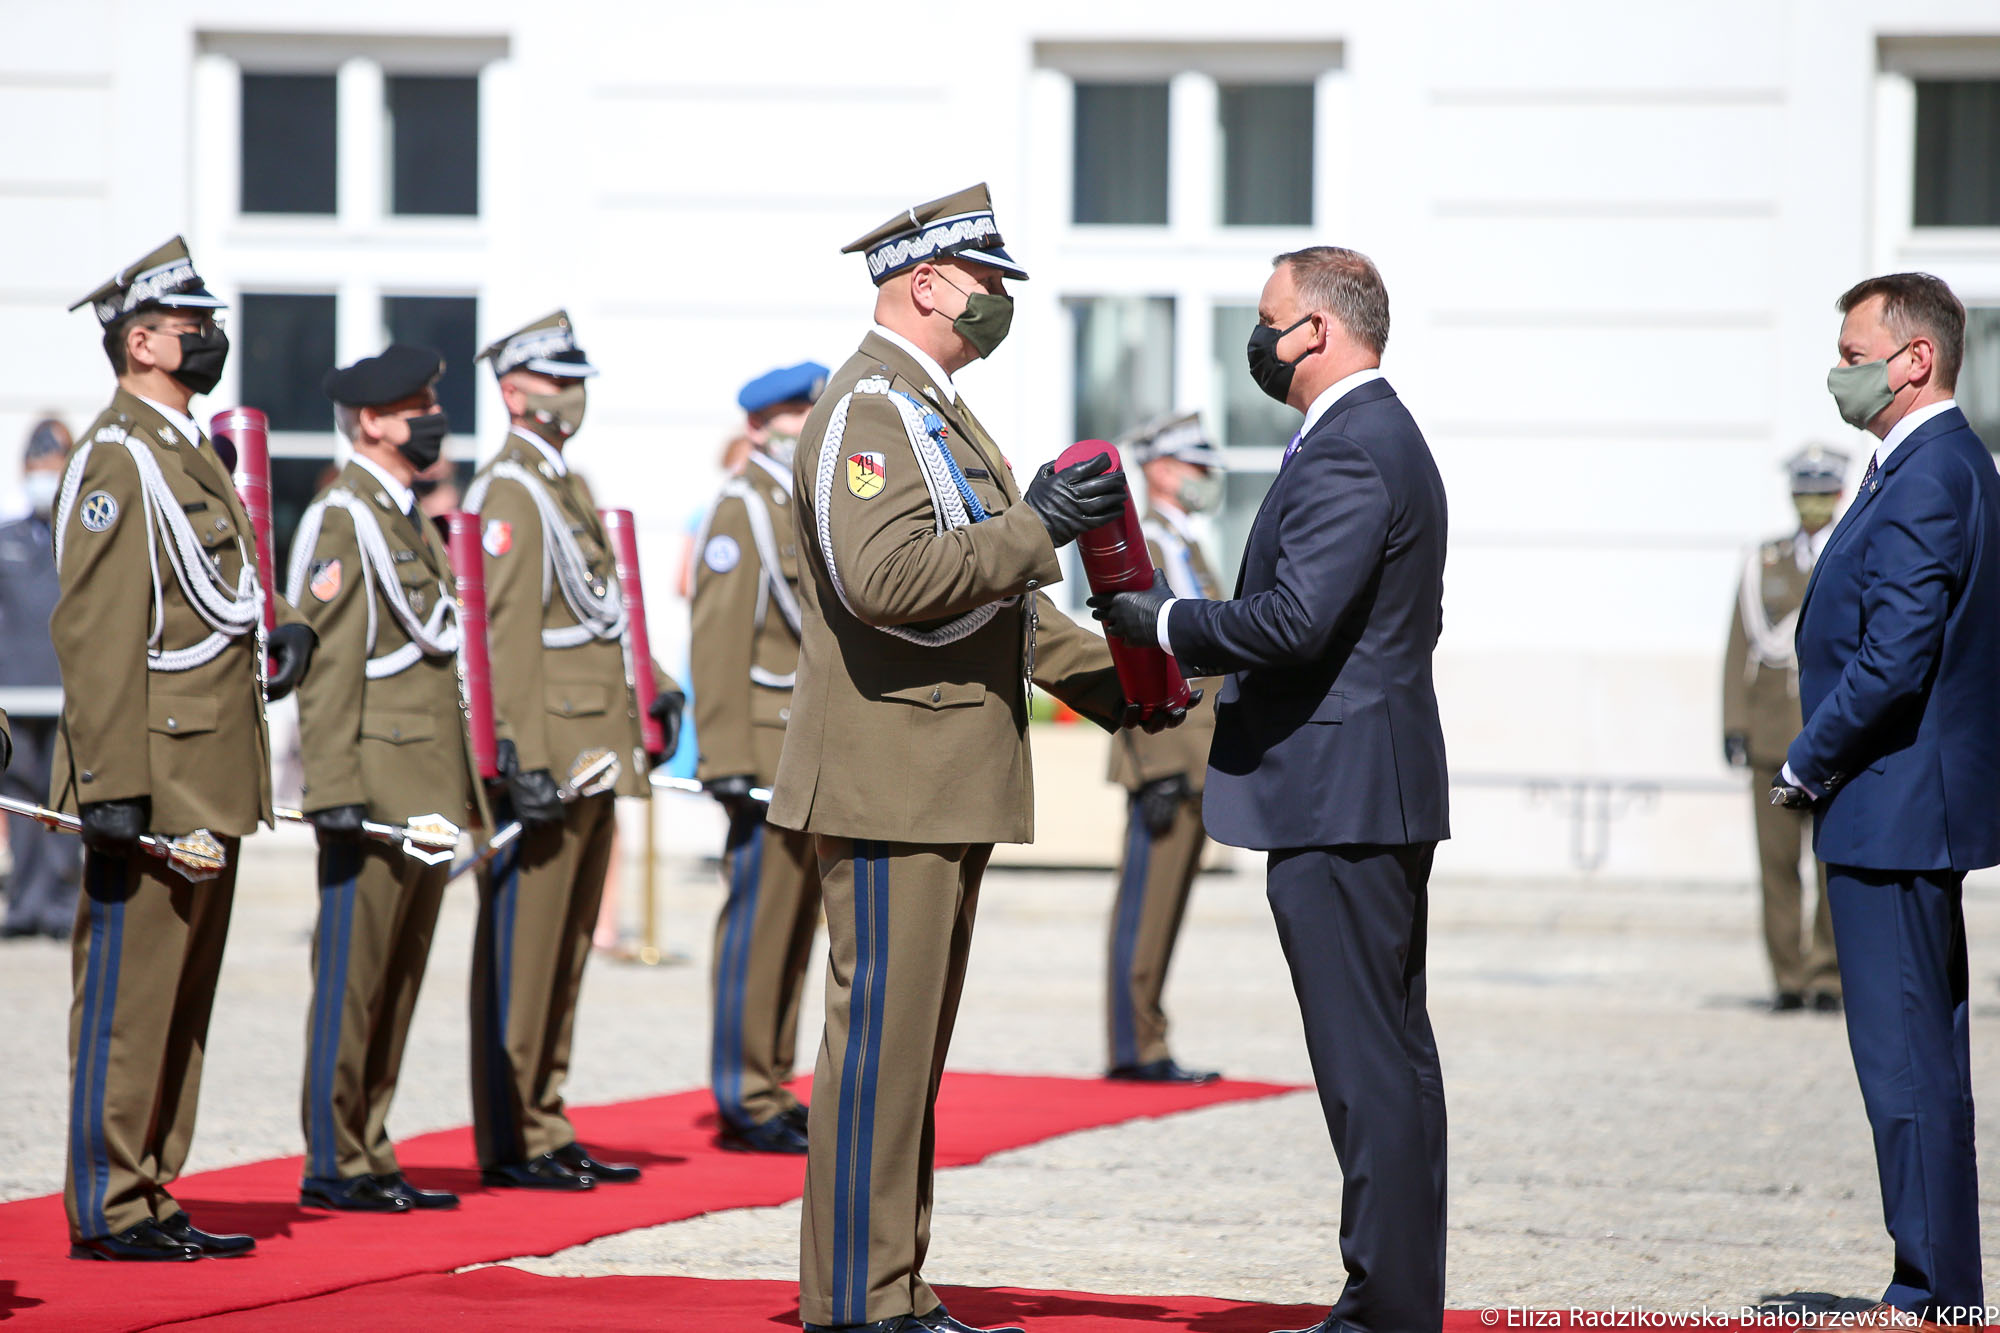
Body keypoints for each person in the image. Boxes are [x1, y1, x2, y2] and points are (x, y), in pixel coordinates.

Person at [772, 182, 1182, 1333]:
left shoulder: (928, 411)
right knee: (878, 1054)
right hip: (891, 779)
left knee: (908, 1056)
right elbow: (886, 581)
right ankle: (857, 1299)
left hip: (933, 773)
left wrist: (1130, 682)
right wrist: (1038, 523)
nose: (998, 300)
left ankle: (892, 1284)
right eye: (985, 281)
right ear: (924, 283)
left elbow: (994, 609)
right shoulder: (869, 412)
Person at [1094, 246, 1449, 1333]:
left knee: (1363, 1063)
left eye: (1268, 318)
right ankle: (1394, 1295)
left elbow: (1297, 621)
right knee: (1386, 1056)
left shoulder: (1351, 446)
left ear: (1319, 331)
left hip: (1340, 794)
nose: (1256, 338)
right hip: (1360, 783)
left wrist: (1163, 620)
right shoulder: (1369, 436)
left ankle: (1383, 1304)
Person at [55, 236, 318, 1261]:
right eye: (192, 325)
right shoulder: (118, 458)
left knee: (182, 997)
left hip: (207, 766)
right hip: (153, 774)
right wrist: (109, 784)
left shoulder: (184, 448)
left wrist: (276, 626)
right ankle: (107, 1202)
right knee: (130, 996)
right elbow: (97, 632)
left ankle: (153, 1182)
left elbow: (218, 586)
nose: (210, 337)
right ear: (142, 341)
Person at [1772, 272, 1997, 1329]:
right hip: (1901, 805)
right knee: (1919, 1064)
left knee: (1904, 1065)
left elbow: (1895, 655)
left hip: (1891, 805)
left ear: (1916, 358)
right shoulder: (1931, 462)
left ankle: (1930, 1293)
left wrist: (1806, 759)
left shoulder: (1928, 471)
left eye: (1855, 354)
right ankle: (1938, 1283)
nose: (1839, 371)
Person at [463, 310, 686, 1191]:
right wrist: (514, 754)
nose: (571, 394)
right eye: (555, 380)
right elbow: (504, 636)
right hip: (549, 757)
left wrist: (654, 683)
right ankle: (514, 1134)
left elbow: (602, 609)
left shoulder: (561, 486)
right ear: (513, 392)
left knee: (563, 955)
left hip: (591, 750)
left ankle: (547, 1118)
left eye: (576, 379)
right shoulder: (511, 492)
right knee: (526, 954)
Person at [286, 344, 489, 1213]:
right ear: (371, 422)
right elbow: (328, 665)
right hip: (373, 785)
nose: (432, 419)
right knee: (354, 977)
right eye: (416, 408)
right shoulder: (346, 518)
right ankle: (334, 1157)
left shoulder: (402, 514)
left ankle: (370, 1144)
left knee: (398, 978)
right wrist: (333, 788)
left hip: (426, 781)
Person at [691, 360, 829, 1154]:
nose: (805, 425)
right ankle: (743, 1093)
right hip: (762, 749)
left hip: (805, 745)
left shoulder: (800, 501)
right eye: (791, 414)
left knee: (795, 923)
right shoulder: (743, 506)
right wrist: (725, 760)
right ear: (757, 425)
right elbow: (718, 639)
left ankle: (772, 1080)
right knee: (758, 921)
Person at [1102, 410, 1224, 1084]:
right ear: (1163, 471)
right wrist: (1157, 765)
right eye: (1197, 466)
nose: (1207, 478)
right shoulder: (1142, 546)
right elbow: (1133, 656)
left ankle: (1148, 1038)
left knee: (1168, 906)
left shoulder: (1186, 543)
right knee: (1145, 907)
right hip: (1166, 753)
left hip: (1197, 754)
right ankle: (1135, 1047)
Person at [1723, 445, 1847, 1015]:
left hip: (1830, 747)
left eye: (1821, 493)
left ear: (1838, 494)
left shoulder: (1851, 552)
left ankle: (1827, 975)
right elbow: (1739, 647)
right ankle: (1788, 977)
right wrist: (1735, 723)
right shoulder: (1766, 563)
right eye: (1804, 493)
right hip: (1774, 747)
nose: (1812, 503)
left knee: (1829, 864)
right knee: (1777, 865)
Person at [0, 420, 81, 939]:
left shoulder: (81, 542)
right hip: (14, 695)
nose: (41, 478)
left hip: (66, 695)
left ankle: (63, 905)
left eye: (51, 467)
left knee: (64, 804)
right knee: (20, 801)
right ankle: (25, 905)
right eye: (36, 467)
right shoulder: (5, 539)